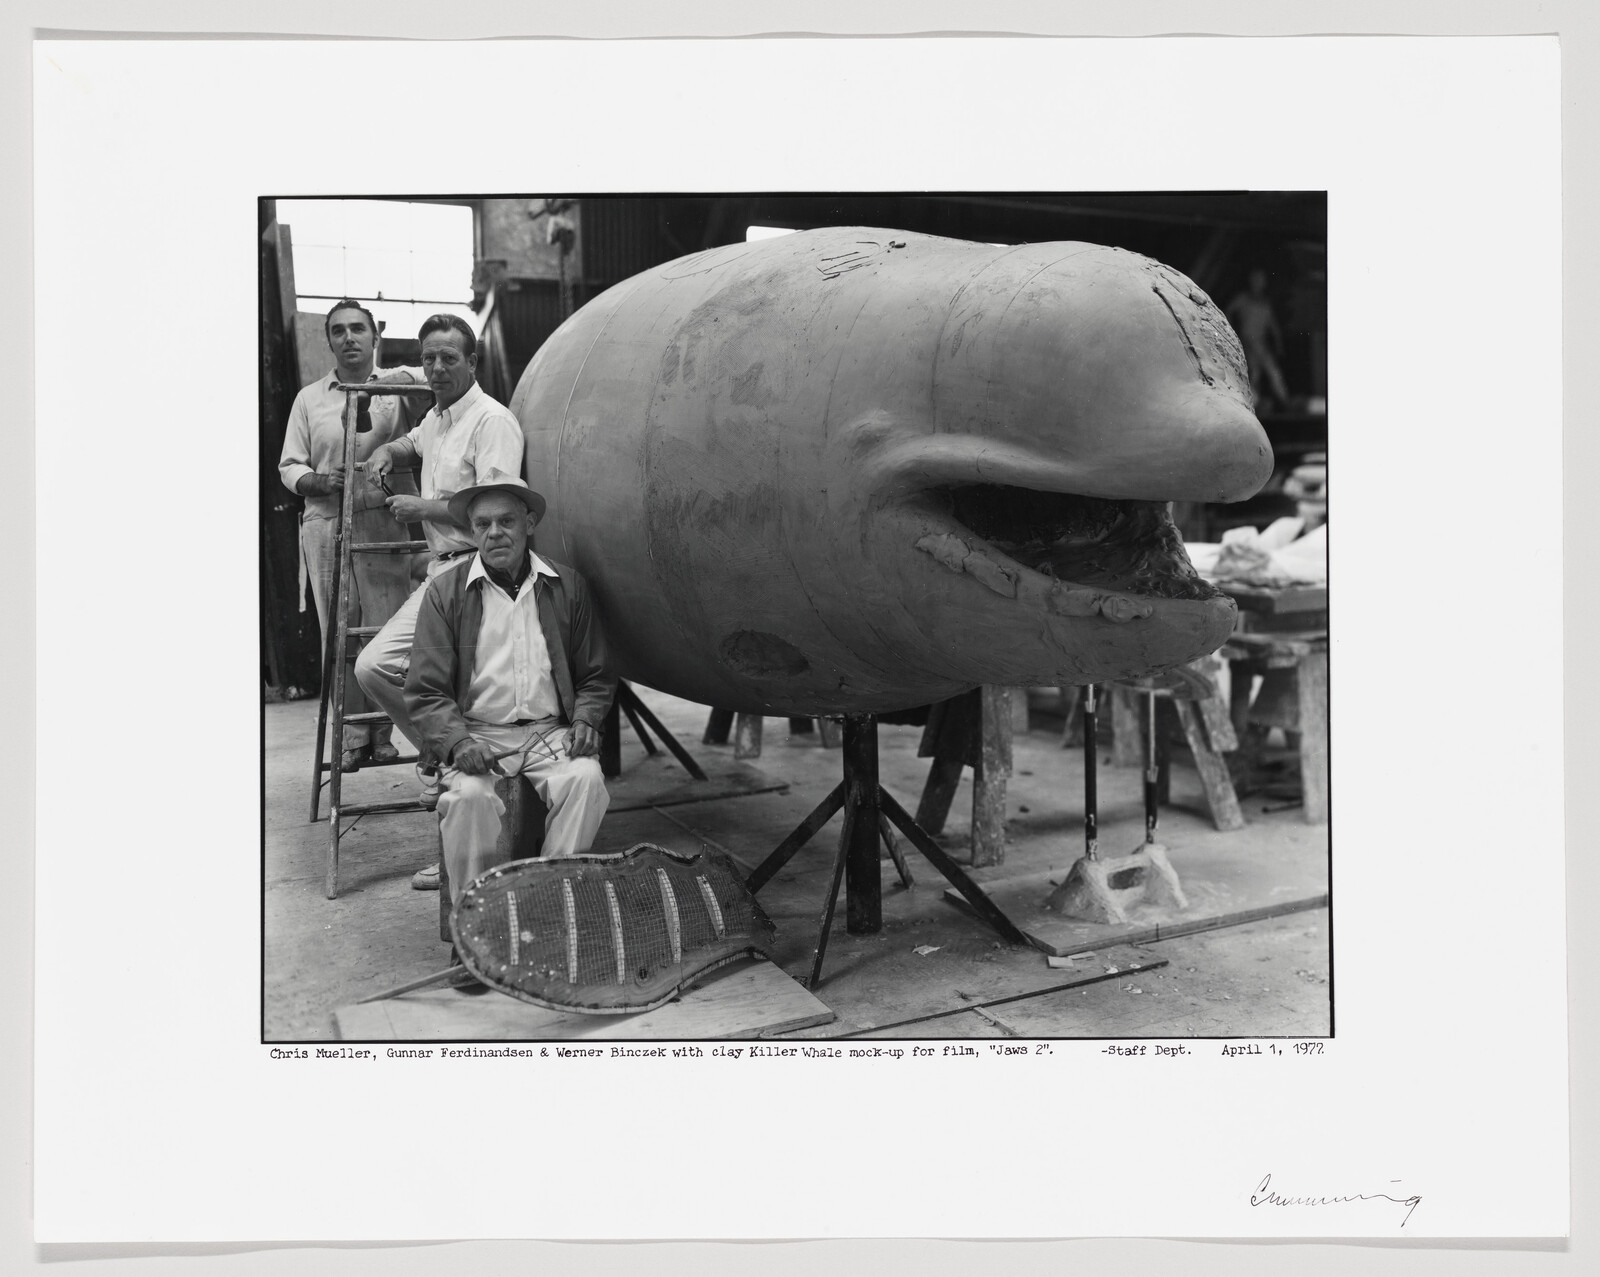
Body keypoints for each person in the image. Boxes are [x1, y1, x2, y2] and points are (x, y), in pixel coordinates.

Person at [356, 312, 526, 887]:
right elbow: (418, 439)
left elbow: (497, 511)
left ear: (472, 363)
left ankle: (463, 849)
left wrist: (420, 510)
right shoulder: (438, 416)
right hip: (440, 574)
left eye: (448, 358)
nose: (435, 368)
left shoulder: (492, 421)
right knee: (374, 667)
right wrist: (390, 451)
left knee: (455, 697)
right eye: (428, 358)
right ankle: (440, 752)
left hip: (480, 575)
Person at [404, 472, 614, 937]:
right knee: (468, 799)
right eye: (482, 525)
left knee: (586, 780)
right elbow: (426, 690)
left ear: (529, 523)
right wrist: (457, 742)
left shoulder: (567, 587)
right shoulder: (445, 593)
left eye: (506, 521)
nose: (494, 533)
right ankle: (475, 931)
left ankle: (547, 914)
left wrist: (585, 719)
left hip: (548, 732)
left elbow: (596, 675)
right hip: (479, 733)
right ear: (472, 532)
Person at [277, 299, 426, 771]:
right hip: (326, 521)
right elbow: (289, 464)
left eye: (358, 328)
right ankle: (350, 738)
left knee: (384, 627)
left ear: (374, 335)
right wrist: (317, 481)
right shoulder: (310, 398)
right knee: (339, 630)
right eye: (338, 330)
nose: (349, 338)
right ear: (329, 341)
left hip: (383, 516)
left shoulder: (392, 388)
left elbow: (423, 381)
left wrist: (373, 389)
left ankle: (382, 735)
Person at [1226, 267, 1291, 413]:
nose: (1258, 282)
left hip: (1260, 343)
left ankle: (1285, 403)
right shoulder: (1243, 298)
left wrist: (1279, 343)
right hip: (1246, 342)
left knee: (1270, 372)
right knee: (1254, 374)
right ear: (1251, 281)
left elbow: (1272, 325)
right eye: (1255, 279)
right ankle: (1252, 407)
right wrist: (1230, 331)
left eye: (1261, 279)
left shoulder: (1265, 303)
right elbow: (1229, 310)